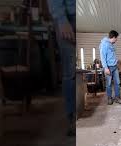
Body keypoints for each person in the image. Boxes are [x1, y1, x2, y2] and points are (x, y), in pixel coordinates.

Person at [47, 0, 76, 136]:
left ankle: (79, 112)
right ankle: (73, 118)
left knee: (76, 72)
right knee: (70, 72)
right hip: (68, 17)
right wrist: (61, 19)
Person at [99, 30, 121, 105]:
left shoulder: (112, 44)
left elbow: (111, 56)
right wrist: (105, 68)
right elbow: (103, 57)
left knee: (117, 83)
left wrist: (117, 63)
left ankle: (117, 97)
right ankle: (109, 98)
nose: (116, 40)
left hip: (114, 67)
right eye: (116, 38)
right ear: (113, 37)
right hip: (109, 67)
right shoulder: (104, 44)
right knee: (109, 84)